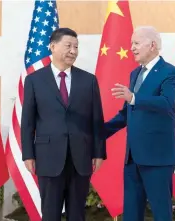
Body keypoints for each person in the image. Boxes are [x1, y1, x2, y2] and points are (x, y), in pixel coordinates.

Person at [21, 27, 106, 221]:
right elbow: (27, 121)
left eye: (76, 47)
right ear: (52, 46)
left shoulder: (89, 80)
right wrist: (28, 154)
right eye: (68, 46)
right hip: (48, 157)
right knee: (50, 213)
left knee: (77, 214)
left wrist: (99, 152)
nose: (73, 51)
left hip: (81, 157)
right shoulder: (34, 80)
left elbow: (96, 119)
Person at [105, 26, 175, 221]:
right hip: (132, 159)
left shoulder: (169, 72)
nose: (132, 48)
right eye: (132, 43)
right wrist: (98, 131)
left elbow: (167, 103)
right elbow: (126, 113)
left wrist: (134, 98)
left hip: (157, 158)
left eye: (136, 43)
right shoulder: (134, 74)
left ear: (153, 45)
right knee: (131, 214)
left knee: (161, 213)